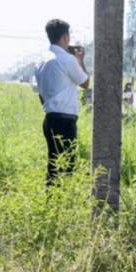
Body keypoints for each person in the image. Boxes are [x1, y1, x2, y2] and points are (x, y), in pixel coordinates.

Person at [34, 19, 89, 183]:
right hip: (65, 120)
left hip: (50, 119)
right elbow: (85, 83)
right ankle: (58, 200)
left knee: (54, 162)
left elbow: (41, 95)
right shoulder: (67, 59)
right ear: (65, 36)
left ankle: (52, 200)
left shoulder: (41, 61)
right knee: (66, 164)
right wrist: (80, 60)